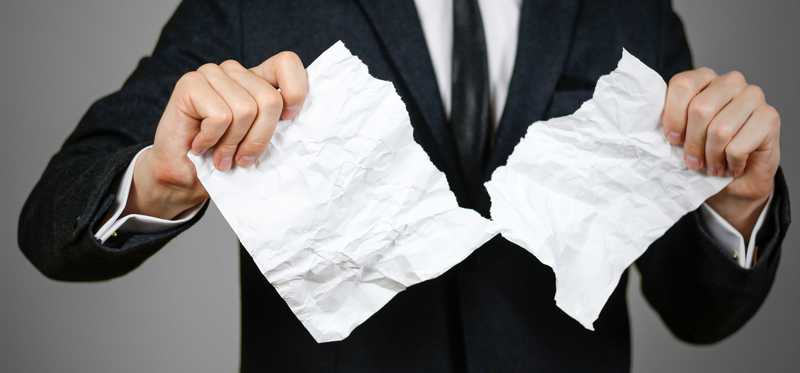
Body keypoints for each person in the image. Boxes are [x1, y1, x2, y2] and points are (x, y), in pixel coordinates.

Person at [18, 0, 790, 372]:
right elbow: (50, 223)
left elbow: (696, 314)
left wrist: (735, 209)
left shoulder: (630, 10)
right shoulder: (254, 1)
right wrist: (157, 182)